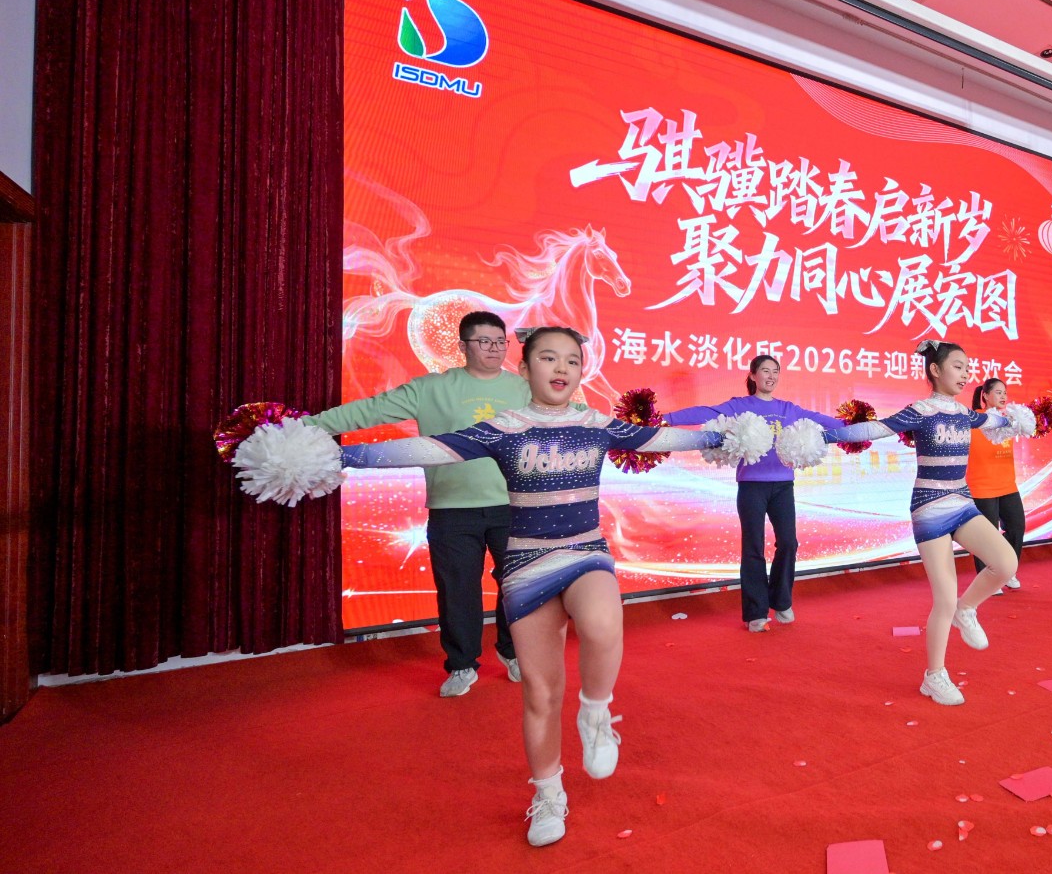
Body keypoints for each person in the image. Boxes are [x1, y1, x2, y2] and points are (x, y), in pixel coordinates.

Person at [285, 326, 768, 847]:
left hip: (585, 551)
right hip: (525, 564)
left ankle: (596, 713)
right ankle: (548, 794)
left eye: (572, 360)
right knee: (540, 692)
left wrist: (732, 436)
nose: (561, 368)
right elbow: (425, 449)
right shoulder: (502, 428)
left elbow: (666, 439)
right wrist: (336, 457)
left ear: (581, 371)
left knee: (604, 623)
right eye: (548, 358)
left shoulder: (596, 423)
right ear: (524, 369)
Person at [779, 340, 1030, 706]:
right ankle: (934, 676)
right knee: (943, 599)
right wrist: (821, 437)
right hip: (929, 507)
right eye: (958, 366)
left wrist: (1021, 419)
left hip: (962, 502)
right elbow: (872, 431)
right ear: (935, 370)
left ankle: (967, 608)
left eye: (967, 368)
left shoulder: (965, 413)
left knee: (1006, 563)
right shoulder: (920, 411)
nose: (965, 374)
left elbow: (996, 420)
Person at [307, 311, 529, 698]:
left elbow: (569, 417)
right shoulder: (430, 389)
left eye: (500, 342)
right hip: (452, 509)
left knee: (520, 585)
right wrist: (303, 427)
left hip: (514, 506)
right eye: (484, 341)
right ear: (462, 346)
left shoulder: (524, 389)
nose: (494, 349)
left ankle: (513, 652)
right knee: (457, 589)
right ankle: (462, 665)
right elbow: (366, 410)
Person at [661, 355, 846, 632]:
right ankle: (756, 612)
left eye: (775, 371)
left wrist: (859, 427)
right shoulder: (739, 406)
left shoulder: (788, 409)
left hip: (783, 486)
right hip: (751, 486)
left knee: (789, 543)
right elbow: (706, 412)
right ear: (752, 376)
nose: (771, 376)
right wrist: (666, 419)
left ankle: (781, 600)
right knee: (753, 547)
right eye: (765, 371)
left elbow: (822, 421)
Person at [966, 378, 1025, 592]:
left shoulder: (1009, 420)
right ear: (985, 395)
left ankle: (1006, 570)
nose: (1003, 396)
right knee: (987, 535)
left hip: (1008, 485)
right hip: (982, 487)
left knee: (1017, 528)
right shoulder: (974, 419)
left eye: (1005, 392)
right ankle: (988, 577)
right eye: (998, 392)